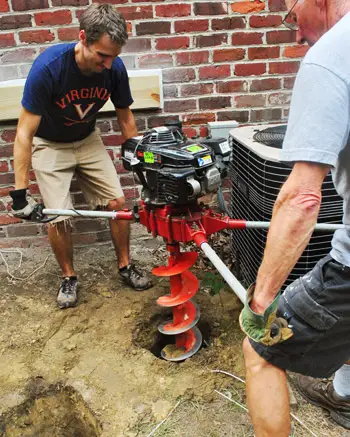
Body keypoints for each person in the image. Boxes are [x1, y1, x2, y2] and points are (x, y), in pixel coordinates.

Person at [239, 0, 350, 435]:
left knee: (260, 352)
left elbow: (303, 198)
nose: (296, 32)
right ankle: (342, 393)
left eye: (292, 15)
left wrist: (262, 300)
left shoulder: (331, 56)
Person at [9, 3, 152, 309]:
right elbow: (24, 133)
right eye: (102, 56)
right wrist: (20, 194)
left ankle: (125, 266)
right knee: (59, 217)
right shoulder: (49, 68)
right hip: (49, 144)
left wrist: (140, 163)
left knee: (116, 203)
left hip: (87, 139)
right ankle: (68, 277)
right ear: (83, 37)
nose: (109, 64)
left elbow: (126, 118)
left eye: (113, 56)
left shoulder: (114, 68)